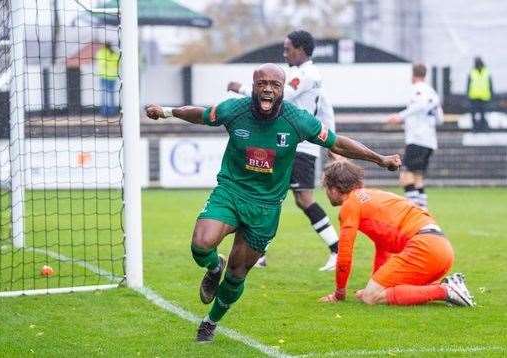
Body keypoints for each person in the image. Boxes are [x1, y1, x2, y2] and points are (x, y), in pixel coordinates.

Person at [145, 63, 401, 342]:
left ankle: (210, 322)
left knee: (237, 273)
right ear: (254, 86)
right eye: (262, 83)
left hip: (266, 207)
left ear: (281, 90)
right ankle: (212, 266)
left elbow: (337, 143)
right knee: (200, 245)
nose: (268, 88)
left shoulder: (298, 120)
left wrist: (380, 159)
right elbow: (202, 115)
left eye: (275, 85)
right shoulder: (235, 109)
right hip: (231, 192)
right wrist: (167, 111)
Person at [227, 30, 340, 271]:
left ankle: (337, 249)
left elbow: (283, 96)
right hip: (286, 144)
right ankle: (259, 253)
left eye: (288, 48)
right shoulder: (301, 74)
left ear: (300, 49)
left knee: (301, 198)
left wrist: (242, 89)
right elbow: (326, 109)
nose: (284, 52)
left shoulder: (307, 75)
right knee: (270, 193)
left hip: (299, 146)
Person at [318, 160, 475, 307]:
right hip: (441, 250)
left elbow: (345, 254)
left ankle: (445, 290)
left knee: (370, 297)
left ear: (333, 189)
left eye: (326, 188)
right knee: (376, 291)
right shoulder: (373, 195)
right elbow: (383, 246)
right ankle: (447, 286)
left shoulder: (350, 205)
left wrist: (339, 292)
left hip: (424, 248)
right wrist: (375, 282)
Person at [387, 64, 443, 210]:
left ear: (413, 75)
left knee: (405, 177)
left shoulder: (418, 90)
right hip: (429, 141)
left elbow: (419, 105)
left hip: (418, 139)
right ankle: (423, 213)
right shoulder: (432, 92)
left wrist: (400, 116)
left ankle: (415, 214)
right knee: (417, 179)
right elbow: (440, 118)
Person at [467, 57, 494, 131]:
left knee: (483, 114)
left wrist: (491, 95)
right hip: (474, 96)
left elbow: (490, 84)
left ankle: (484, 128)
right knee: (474, 114)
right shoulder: (472, 72)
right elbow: (468, 84)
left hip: (484, 96)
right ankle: (475, 128)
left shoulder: (486, 72)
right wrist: (468, 96)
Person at [95, 41, 119, 117]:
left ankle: (104, 112)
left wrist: (107, 63)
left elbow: (101, 63)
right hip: (113, 76)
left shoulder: (101, 52)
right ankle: (112, 112)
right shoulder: (115, 53)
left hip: (104, 76)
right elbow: (118, 63)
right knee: (111, 94)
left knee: (104, 94)